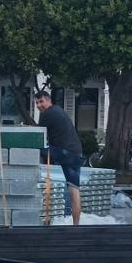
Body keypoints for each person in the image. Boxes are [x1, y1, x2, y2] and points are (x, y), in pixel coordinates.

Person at [35, 90, 84, 225]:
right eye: (37, 103)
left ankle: (33, 179)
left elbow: (38, 135)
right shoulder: (58, 110)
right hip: (76, 153)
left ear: (48, 100)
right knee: (74, 189)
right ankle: (76, 226)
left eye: (41, 102)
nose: (39, 105)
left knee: (33, 148)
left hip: (64, 152)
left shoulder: (47, 113)